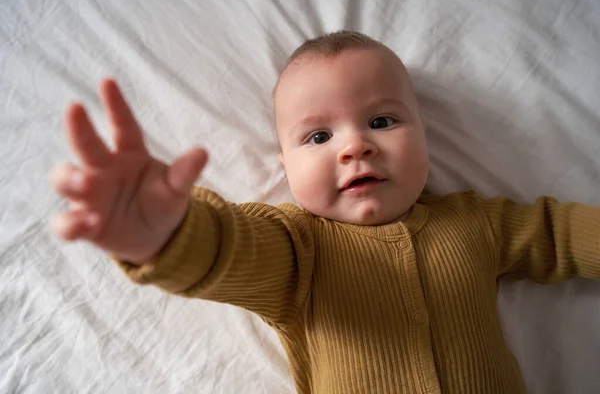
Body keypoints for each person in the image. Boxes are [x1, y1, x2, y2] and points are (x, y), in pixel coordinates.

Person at [49, 31, 600, 394]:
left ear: (425, 138)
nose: (354, 146)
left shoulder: (474, 223)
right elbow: (230, 249)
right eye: (318, 135)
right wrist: (167, 233)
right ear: (285, 166)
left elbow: (561, 234)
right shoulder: (297, 250)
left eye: (382, 122)